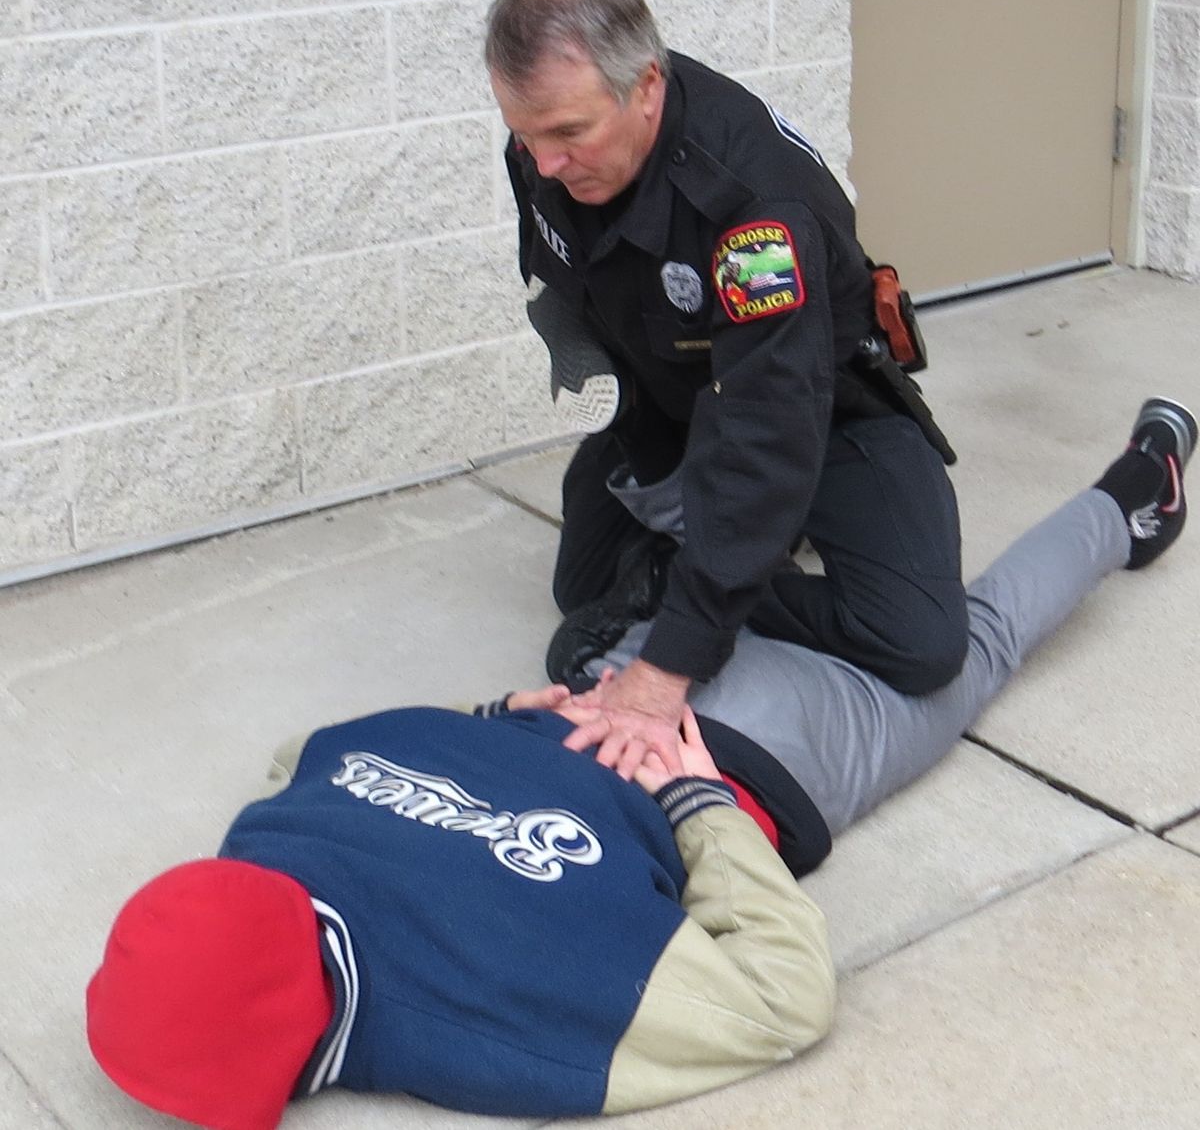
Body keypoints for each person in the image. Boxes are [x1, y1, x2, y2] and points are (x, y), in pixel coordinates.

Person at [85, 397, 1194, 1127]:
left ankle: (1140, 492)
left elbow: (784, 999)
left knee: (976, 640)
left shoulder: (482, 1016)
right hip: (631, 674)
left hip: (745, 749)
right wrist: (495, 717)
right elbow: (316, 750)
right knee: (826, 602)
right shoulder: (279, 827)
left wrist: (692, 792)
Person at [487, 0, 968, 779]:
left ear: (646, 86)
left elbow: (766, 428)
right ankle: (695, 559)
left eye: (568, 133)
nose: (545, 161)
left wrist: (671, 659)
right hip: (675, 401)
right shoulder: (546, 145)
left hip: (825, 409)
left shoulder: (755, 216)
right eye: (526, 134)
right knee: (582, 589)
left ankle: (704, 576)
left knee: (917, 638)